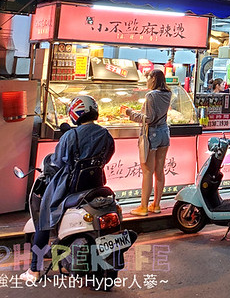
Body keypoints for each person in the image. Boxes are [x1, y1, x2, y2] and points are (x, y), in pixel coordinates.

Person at [19, 95, 115, 282]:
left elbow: (57, 162)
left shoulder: (72, 136)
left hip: (69, 186)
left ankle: (34, 270)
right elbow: (108, 155)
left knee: (44, 217)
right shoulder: (105, 134)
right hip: (96, 185)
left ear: (75, 113)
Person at [126, 69, 172, 216]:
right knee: (159, 170)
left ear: (153, 79)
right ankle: (156, 205)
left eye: (148, 78)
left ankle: (143, 207)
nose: (147, 81)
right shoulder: (168, 93)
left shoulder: (151, 95)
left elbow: (149, 118)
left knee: (147, 171)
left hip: (151, 134)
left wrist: (130, 113)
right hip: (164, 132)